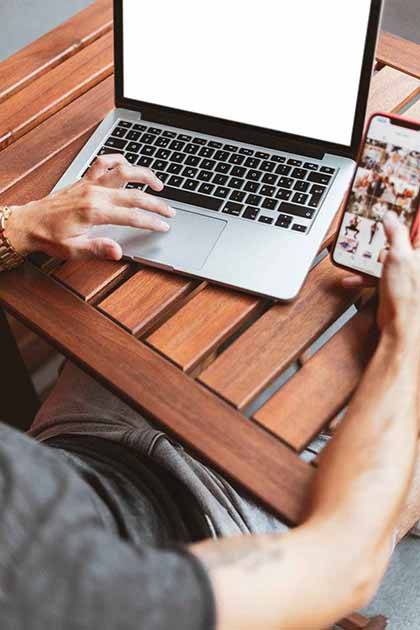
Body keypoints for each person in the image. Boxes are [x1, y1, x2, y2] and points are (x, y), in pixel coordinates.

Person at [0, 155, 420, 630]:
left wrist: (19, 227)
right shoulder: (65, 599)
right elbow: (342, 566)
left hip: (74, 451)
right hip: (212, 529)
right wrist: (405, 339)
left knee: (186, 270)